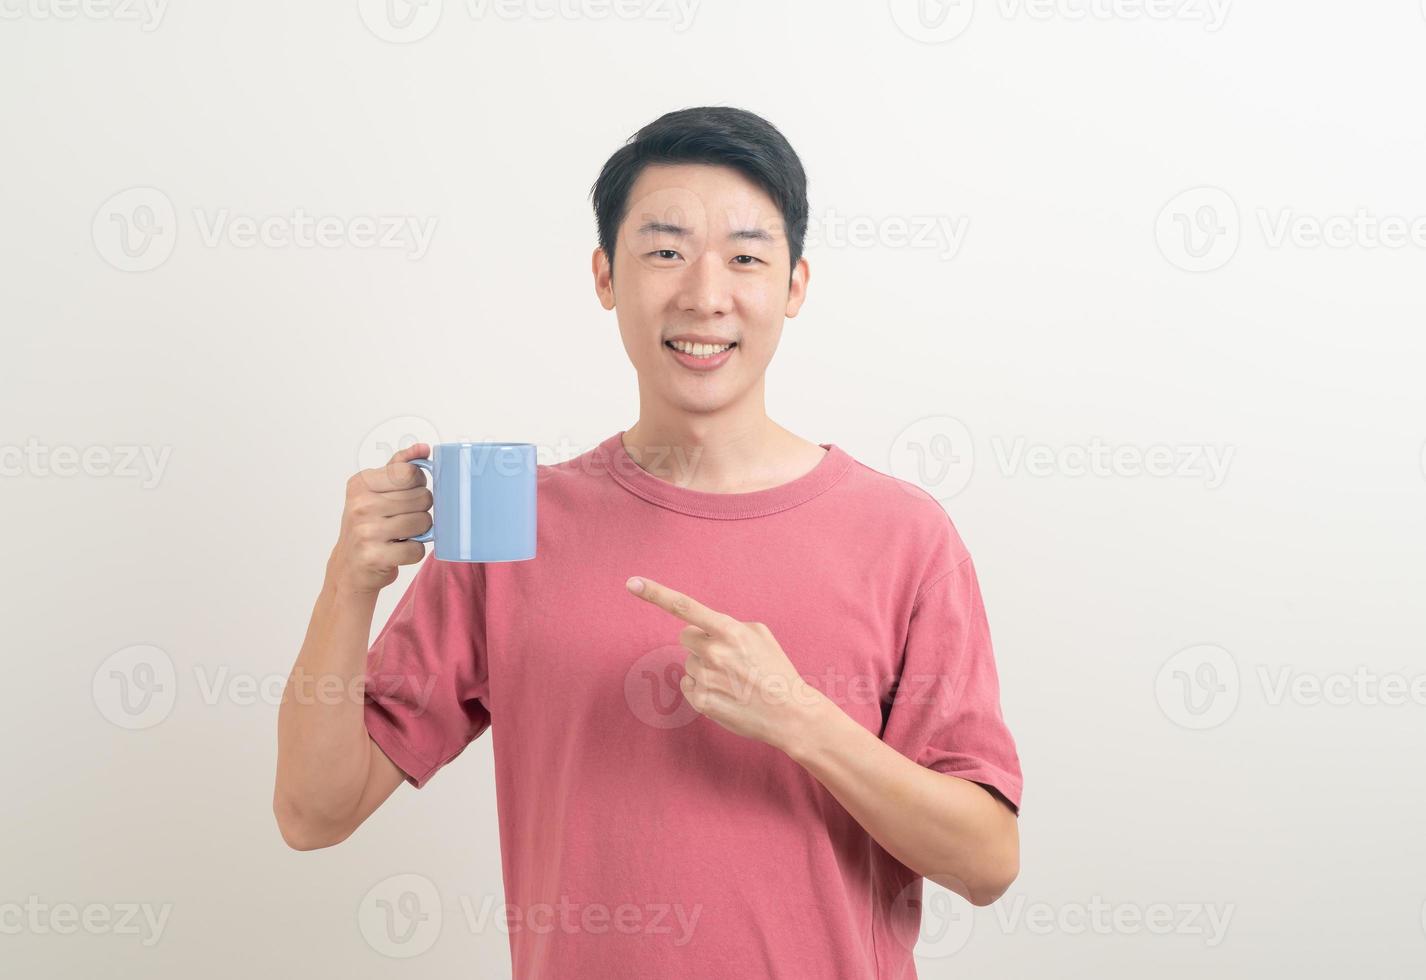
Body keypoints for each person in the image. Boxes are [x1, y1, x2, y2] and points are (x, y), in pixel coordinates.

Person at [273, 105, 1023, 979]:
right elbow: (312, 813)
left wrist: (802, 720)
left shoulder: (903, 532)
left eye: (746, 257)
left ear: (795, 286)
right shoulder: (510, 513)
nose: (706, 294)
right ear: (605, 276)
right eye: (665, 251)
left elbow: (987, 862)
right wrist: (348, 584)